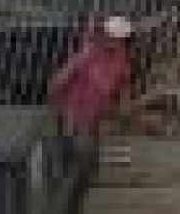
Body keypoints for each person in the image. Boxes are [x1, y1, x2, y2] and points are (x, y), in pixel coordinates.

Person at [48, 14, 137, 179]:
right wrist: (56, 100)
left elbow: (122, 86)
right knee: (75, 147)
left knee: (87, 150)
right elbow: (61, 79)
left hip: (95, 114)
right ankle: (70, 178)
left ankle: (83, 178)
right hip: (74, 110)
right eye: (113, 37)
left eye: (120, 39)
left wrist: (122, 106)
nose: (116, 41)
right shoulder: (88, 54)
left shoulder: (121, 60)